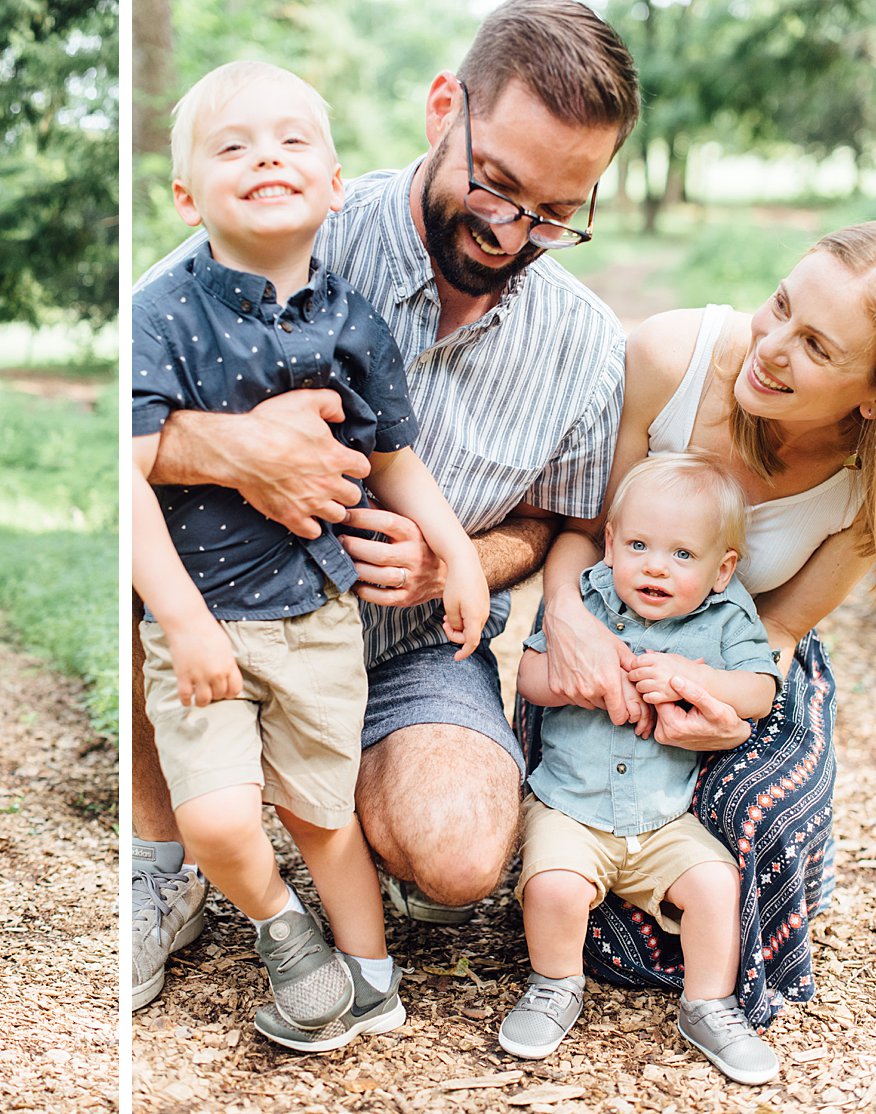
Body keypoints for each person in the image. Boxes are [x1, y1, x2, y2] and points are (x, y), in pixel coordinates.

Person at [131, 0, 641, 1023]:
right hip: (224, 604)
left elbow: (559, 524)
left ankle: (349, 805)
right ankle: (160, 857)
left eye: (556, 212)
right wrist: (230, 453)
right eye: (496, 185)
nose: (512, 233)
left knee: (457, 857)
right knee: (142, 567)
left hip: (410, 646)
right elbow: (120, 424)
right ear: (443, 107)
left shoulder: (585, 343)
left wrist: (459, 557)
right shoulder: (288, 222)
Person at [133, 60, 490, 1048]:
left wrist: (456, 550)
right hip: (203, 619)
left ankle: (370, 983)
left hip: (321, 614)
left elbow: (395, 457)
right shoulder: (160, 316)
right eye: (234, 146)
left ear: (336, 183)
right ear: (185, 193)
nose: (267, 158)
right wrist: (185, 621)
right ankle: (285, 933)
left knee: (323, 815)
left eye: (293, 141)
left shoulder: (354, 322)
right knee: (215, 817)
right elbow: (125, 478)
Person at [525, 222, 876, 1031]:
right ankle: (579, 954)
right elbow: (585, 528)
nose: (773, 346)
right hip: (604, 620)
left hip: (741, 655)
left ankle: (711, 991)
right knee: (590, 783)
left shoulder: (861, 487)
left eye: (817, 347)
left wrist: (725, 710)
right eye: (780, 305)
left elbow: (783, 626)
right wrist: (570, 618)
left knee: (757, 815)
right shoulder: (669, 359)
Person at [504, 453, 780, 1083]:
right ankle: (554, 984)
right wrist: (581, 683)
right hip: (570, 806)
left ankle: (707, 1004)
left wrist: (694, 677)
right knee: (553, 886)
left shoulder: (727, 617)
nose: (655, 565)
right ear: (609, 545)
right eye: (637, 545)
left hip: (663, 819)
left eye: (683, 555)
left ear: (722, 569)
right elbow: (529, 677)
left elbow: (761, 690)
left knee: (715, 884)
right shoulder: (588, 604)